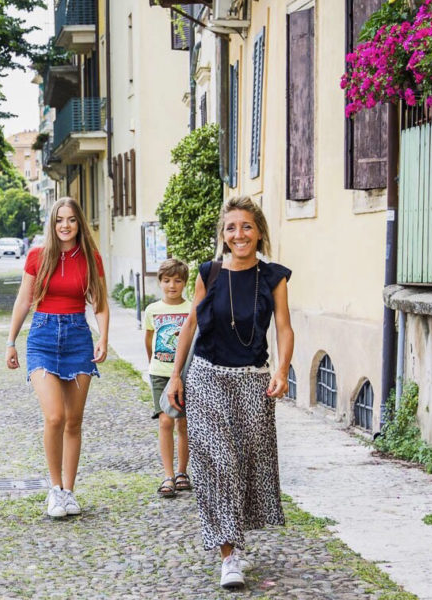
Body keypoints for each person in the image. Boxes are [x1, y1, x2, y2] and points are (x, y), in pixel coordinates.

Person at [165, 196, 294, 590]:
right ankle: (229, 554)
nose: (239, 234)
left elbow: (285, 329)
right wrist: (175, 375)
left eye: (247, 227)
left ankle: (236, 533)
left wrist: (283, 370)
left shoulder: (274, 277)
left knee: (247, 464)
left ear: (258, 233)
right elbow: (189, 325)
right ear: (223, 235)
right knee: (219, 462)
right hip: (207, 375)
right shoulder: (210, 272)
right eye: (231, 227)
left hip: (253, 378)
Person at [5, 197, 108, 518]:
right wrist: (10, 341)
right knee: (54, 417)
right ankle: (54, 489)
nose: (65, 225)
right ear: (53, 223)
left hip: (78, 337)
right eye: (60, 219)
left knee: (74, 421)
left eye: (72, 220)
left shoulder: (91, 258)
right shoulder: (38, 257)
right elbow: (24, 300)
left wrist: (103, 336)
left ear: (79, 224)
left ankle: (69, 491)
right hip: (43, 337)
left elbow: (100, 303)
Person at [143, 258, 192, 499]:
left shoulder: (191, 308)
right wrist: (154, 364)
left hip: (185, 373)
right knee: (165, 422)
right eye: (166, 280)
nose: (172, 285)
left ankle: (183, 472)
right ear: (159, 282)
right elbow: (149, 340)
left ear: (185, 283)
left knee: (183, 423)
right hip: (160, 373)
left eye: (177, 280)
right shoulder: (152, 310)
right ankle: (168, 474)